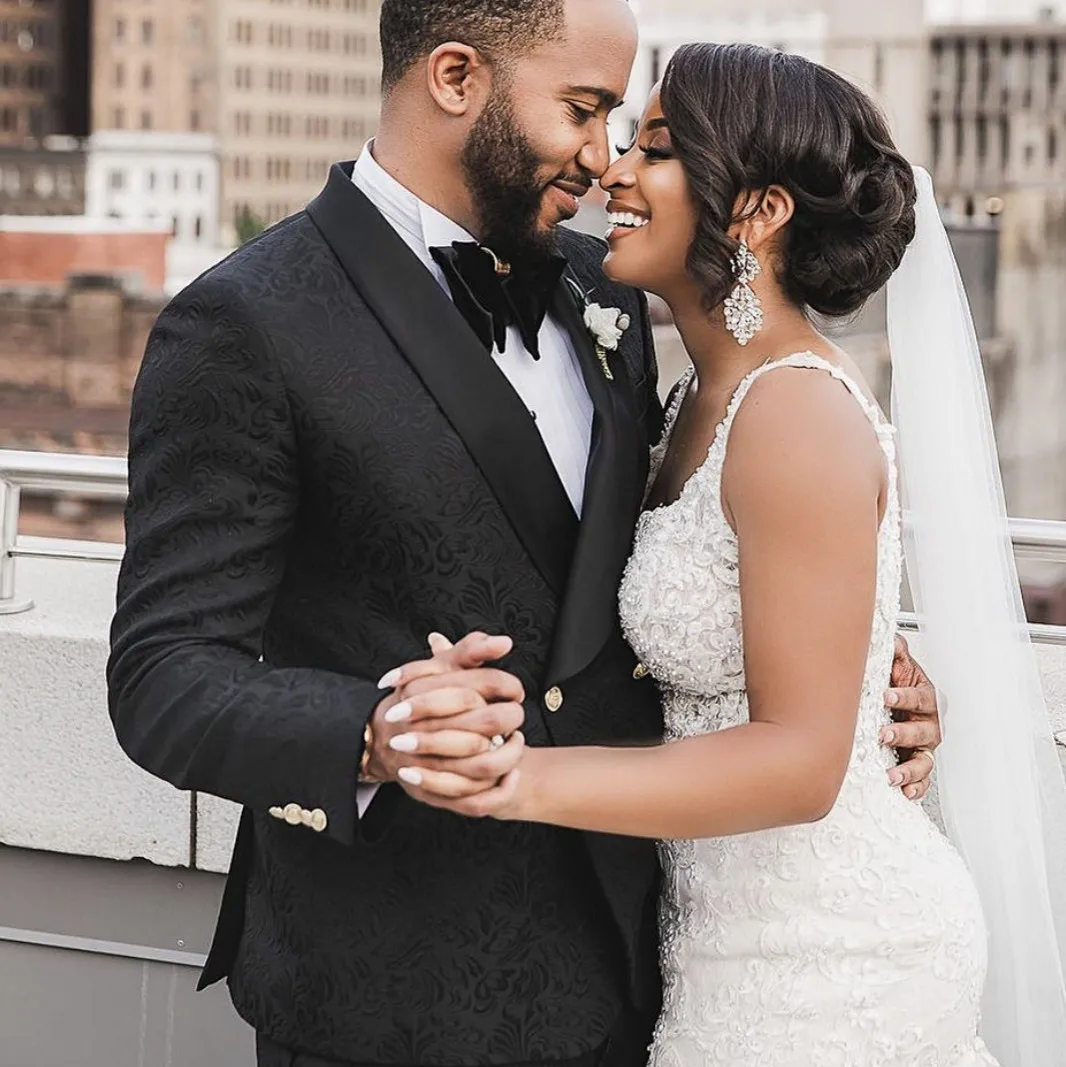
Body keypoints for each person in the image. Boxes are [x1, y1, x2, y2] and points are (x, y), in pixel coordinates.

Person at [106, 8, 940, 1067]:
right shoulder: (245, 322)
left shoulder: (614, 294)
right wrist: (372, 730)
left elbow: (681, 565)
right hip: (391, 993)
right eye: (586, 110)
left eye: (629, 127)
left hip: (649, 972)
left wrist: (864, 676)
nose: (603, 160)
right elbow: (161, 676)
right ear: (456, 78)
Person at [380, 44, 1066, 1066]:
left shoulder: (791, 410)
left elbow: (799, 762)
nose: (612, 169)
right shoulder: (686, 398)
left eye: (653, 149)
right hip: (714, 938)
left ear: (756, 212)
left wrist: (512, 779)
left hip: (833, 955)